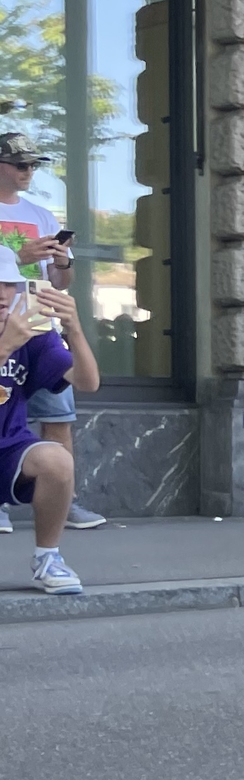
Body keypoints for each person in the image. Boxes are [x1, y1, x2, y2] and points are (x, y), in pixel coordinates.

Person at [0, 133, 102, 532]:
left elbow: (62, 282)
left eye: (33, 165)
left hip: (39, 327)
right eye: (21, 164)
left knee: (59, 417)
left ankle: (65, 497)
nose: (29, 172)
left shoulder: (42, 215)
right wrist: (21, 257)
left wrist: (61, 261)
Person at [0, 253, 100, 594]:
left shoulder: (33, 333)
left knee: (57, 459)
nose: (2, 294)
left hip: (8, 446)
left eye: (8, 284)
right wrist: (4, 347)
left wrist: (73, 328)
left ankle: (48, 557)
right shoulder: (15, 336)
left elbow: (87, 382)